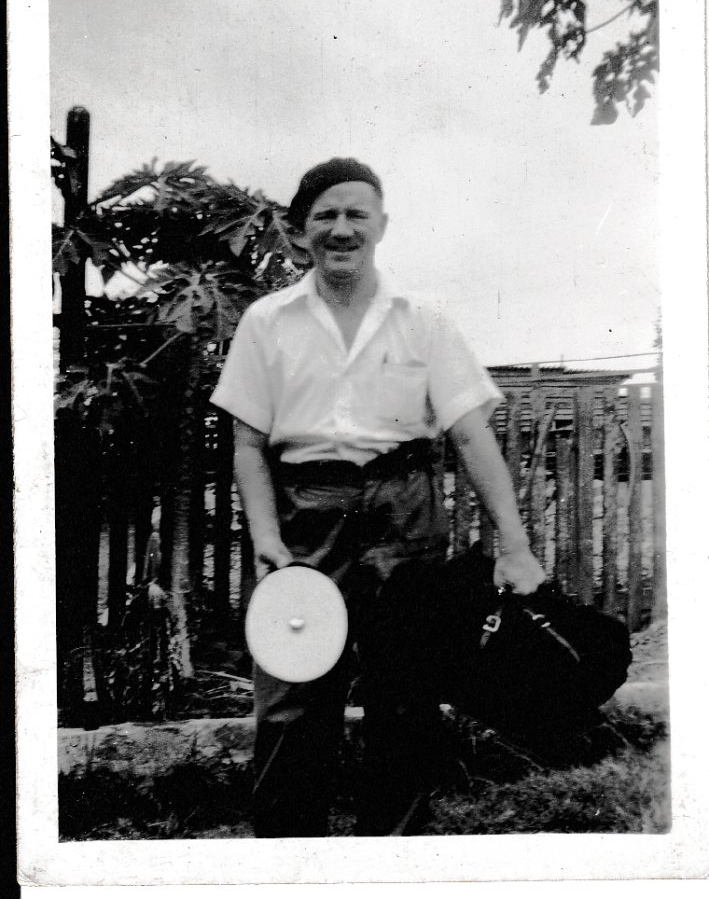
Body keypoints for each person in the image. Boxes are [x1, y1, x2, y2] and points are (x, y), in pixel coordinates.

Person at [211, 158, 545, 837]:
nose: (341, 228)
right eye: (325, 216)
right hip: (309, 514)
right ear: (300, 232)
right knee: (290, 702)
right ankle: (286, 866)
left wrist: (514, 545)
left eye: (355, 214)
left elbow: (472, 439)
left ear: (381, 225)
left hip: (405, 514)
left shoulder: (423, 322)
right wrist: (267, 538)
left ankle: (392, 863)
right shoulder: (266, 323)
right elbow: (247, 446)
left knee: (406, 702)